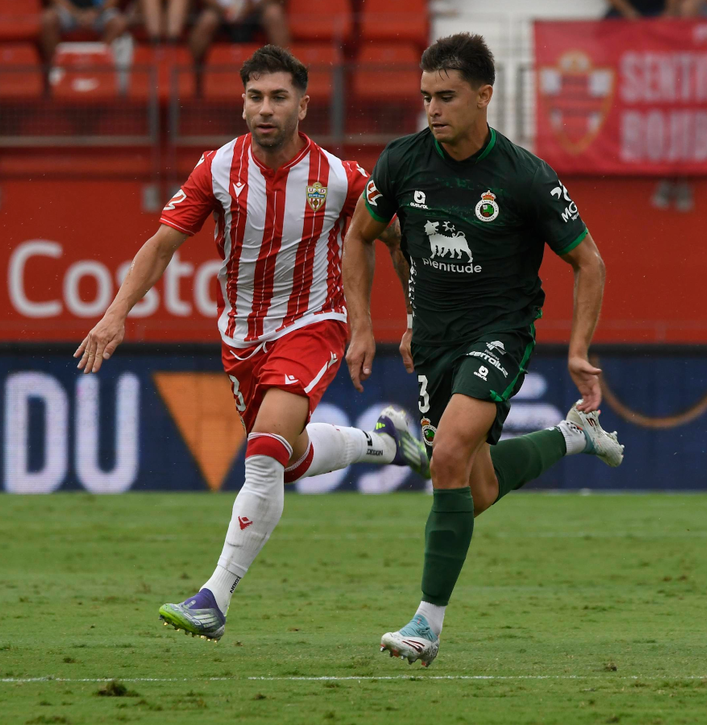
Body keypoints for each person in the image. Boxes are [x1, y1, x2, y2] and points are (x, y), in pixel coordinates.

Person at [74, 45, 429, 643]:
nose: (266, 109)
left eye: (279, 98)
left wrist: (400, 317)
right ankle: (386, 444)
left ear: (303, 105)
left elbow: (394, 238)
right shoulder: (215, 169)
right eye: (255, 97)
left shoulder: (340, 177)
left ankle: (214, 596)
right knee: (284, 458)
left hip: (314, 324)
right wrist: (115, 315)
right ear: (243, 105)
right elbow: (160, 245)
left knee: (264, 451)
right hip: (241, 338)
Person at [343, 33, 625, 668]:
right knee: (474, 489)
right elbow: (363, 236)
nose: (433, 110)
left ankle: (426, 624)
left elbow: (590, 262)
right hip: (437, 340)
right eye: (425, 97)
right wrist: (370, 325)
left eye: (446, 97)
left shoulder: (524, 177)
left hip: (500, 332)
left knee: (446, 455)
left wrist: (578, 349)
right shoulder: (402, 162)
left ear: (484, 96)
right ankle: (574, 437)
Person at [188, 0, 289, 65]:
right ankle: (193, 75)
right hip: (221, 10)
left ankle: (287, 69)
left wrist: (251, 6)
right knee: (207, 20)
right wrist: (224, 10)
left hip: (257, 9)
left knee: (274, 14)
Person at [40, 0, 131, 65]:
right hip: (68, 11)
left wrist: (95, 14)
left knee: (118, 23)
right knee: (48, 19)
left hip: (100, 12)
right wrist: (76, 13)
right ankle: (57, 66)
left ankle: (99, 62)